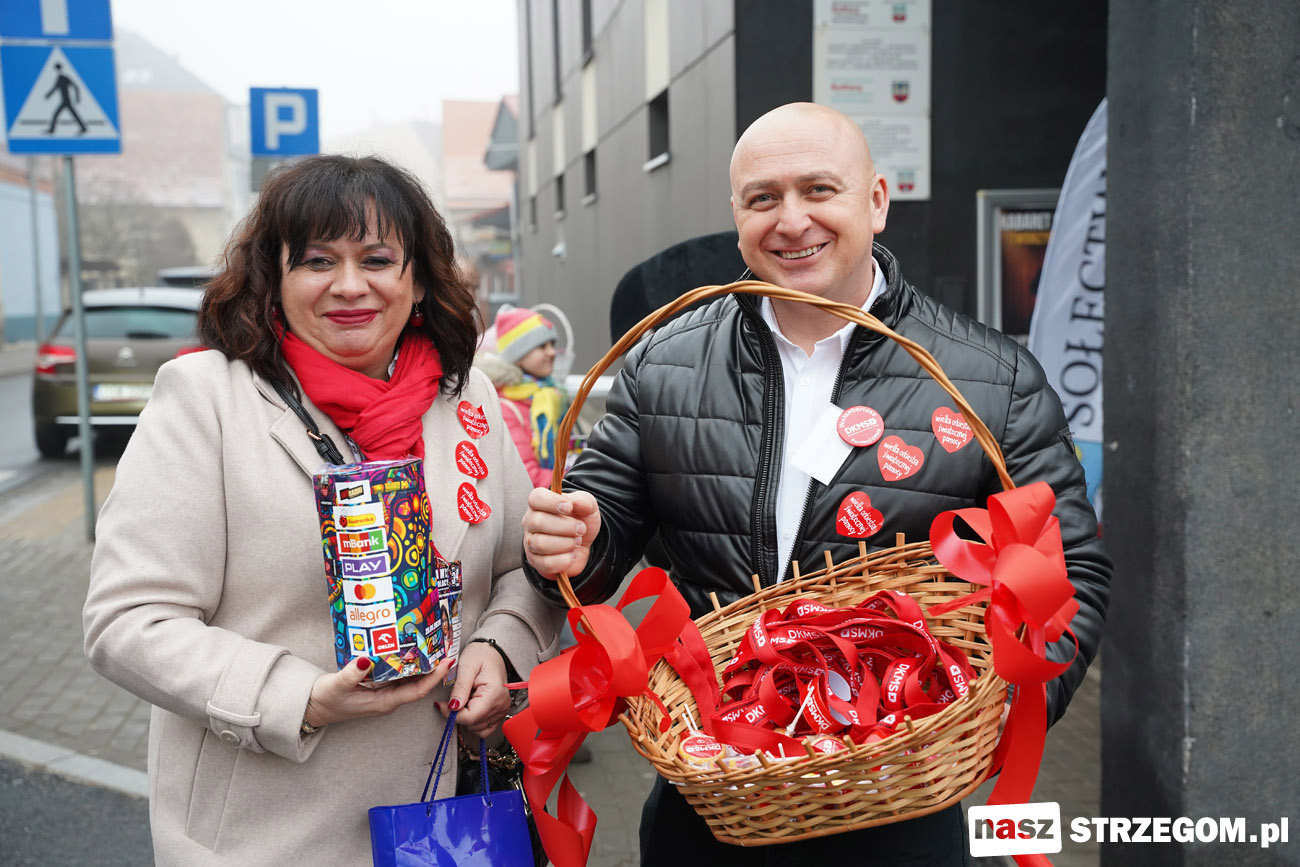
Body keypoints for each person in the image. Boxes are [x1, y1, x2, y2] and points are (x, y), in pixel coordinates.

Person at [521, 102, 1111, 865]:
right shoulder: (662, 363)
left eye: (819, 190)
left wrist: (1000, 716)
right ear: (737, 216)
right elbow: (595, 538)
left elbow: (1072, 570)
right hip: (714, 800)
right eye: (763, 198)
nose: (792, 220)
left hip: (901, 805)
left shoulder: (991, 379)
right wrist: (573, 543)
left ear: (876, 200)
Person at [83, 154, 563, 866]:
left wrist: (498, 648)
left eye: (378, 259)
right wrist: (299, 697)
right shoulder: (205, 399)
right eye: (317, 260)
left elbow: (521, 570)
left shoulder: (466, 400)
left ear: (418, 279)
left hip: (444, 821)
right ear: (273, 279)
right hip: (265, 832)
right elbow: (127, 621)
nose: (349, 285)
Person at [474, 306, 566, 487]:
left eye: (552, 344)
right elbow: (526, 477)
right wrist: (578, 481)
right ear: (518, 354)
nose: (551, 352)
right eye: (542, 346)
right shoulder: (505, 409)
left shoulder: (551, 395)